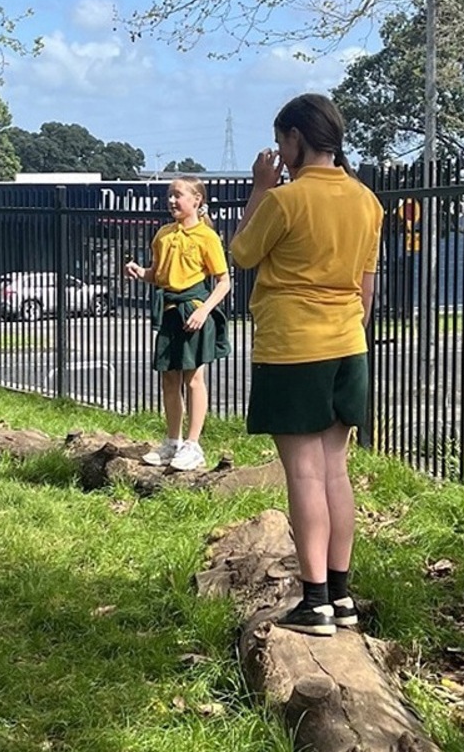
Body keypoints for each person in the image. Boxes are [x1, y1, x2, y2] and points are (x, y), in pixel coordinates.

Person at [229, 94, 383, 636]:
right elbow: (366, 289)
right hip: (348, 345)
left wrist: (258, 190)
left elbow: (242, 253)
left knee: (304, 472)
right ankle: (339, 595)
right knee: (336, 470)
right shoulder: (366, 201)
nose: (279, 153)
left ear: (296, 138)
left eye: (280, 142)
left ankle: (312, 599)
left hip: (294, 347)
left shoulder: (285, 202)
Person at [124, 176, 232, 471]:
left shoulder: (207, 237)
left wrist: (204, 311)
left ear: (196, 200)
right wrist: (139, 272)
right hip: (170, 312)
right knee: (169, 379)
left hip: (194, 311)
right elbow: (158, 275)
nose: (171, 201)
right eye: (169, 195)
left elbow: (223, 281)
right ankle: (172, 442)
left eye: (178, 195)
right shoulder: (162, 235)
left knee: (194, 378)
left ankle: (193, 445)